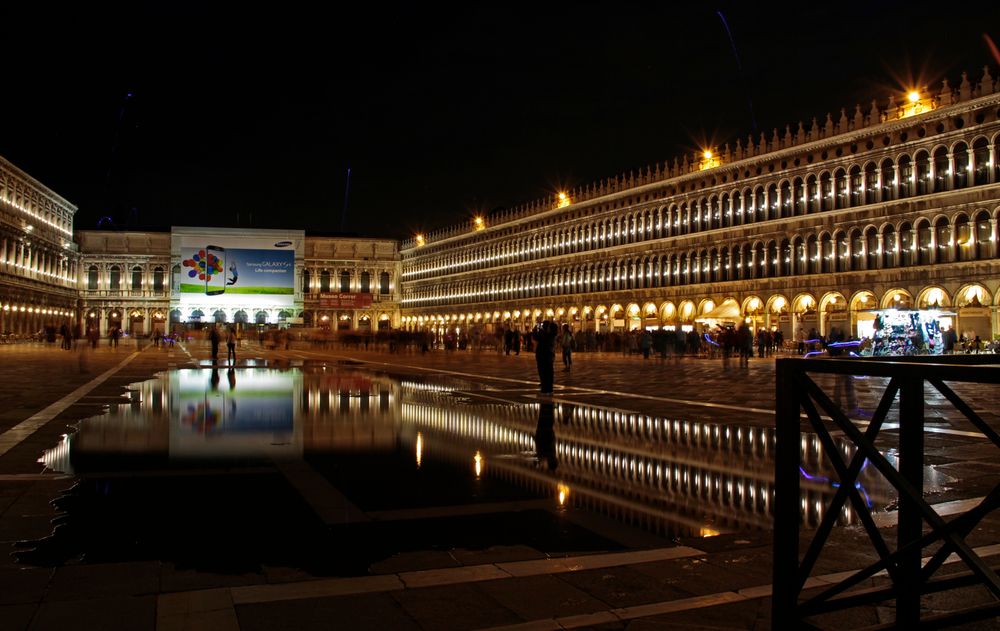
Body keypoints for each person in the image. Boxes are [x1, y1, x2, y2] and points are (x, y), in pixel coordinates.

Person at [533, 320, 557, 395]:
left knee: (544, 373)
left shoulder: (547, 335)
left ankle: (545, 390)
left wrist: (535, 330)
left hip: (543, 356)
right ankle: (549, 389)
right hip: (549, 356)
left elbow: (536, 337)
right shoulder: (551, 335)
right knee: (549, 373)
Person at [534, 401, 558, 471]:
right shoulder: (547, 455)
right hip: (544, 433)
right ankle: (546, 404)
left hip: (545, 434)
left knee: (546, 418)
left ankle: (547, 403)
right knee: (545, 417)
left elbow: (548, 443)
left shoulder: (547, 455)